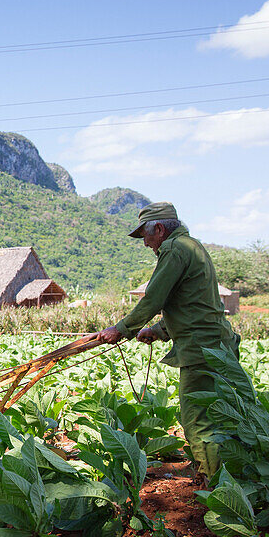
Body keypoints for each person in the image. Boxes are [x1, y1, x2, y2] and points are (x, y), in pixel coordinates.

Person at [88, 202, 245, 480]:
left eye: (146, 237)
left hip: (201, 349)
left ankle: (214, 481)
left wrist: (120, 329)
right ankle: (214, 467)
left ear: (159, 229)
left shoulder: (173, 249)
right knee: (216, 412)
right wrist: (159, 331)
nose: (147, 244)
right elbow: (191, 304)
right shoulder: (192, 246)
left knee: (197, 418)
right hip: (217, 343)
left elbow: (154, 298)